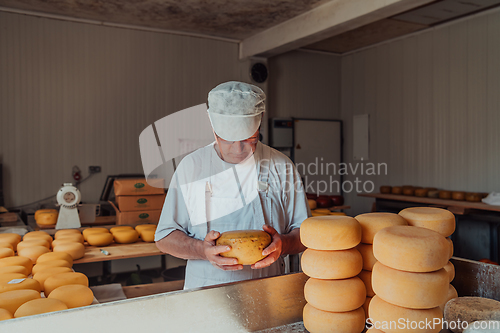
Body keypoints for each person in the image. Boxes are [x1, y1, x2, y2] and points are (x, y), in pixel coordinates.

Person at [155, 81, 309, 289]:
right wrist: (202, 250)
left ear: (260, 121)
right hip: (206, 294)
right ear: (212, 126)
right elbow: (164, 237)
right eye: (227, 140)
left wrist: (284, 244)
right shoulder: (192, 167)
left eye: (249, 139)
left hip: (270, 291)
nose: (238, 150)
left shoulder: (281, 166)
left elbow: (305, 233)